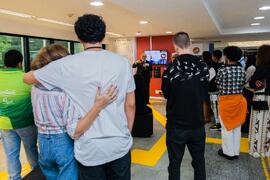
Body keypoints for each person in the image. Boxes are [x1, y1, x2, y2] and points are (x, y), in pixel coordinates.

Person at [23, 14, 136, 180]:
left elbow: (27, 78)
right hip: (119, 143)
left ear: (78, 37)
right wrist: (127, 133)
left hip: (89, 149)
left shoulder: (65, 65)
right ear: (103, 35)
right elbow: (130, 104)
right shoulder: (122, 62)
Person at [30, 44, 117, 179]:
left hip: (42, 141)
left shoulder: (35, 87)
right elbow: (73, 131)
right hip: (62, 142)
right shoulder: (64, 92)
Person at [162, 32, 209, 180]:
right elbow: (204, 90)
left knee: (174, 164)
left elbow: (166, 93)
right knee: (199, 162)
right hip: (197, 123)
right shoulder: (203, 66)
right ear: (190, 43)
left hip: (176, 125)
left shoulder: (170, 67)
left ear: (175, 47)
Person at [0, 50, 39, 180]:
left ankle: (14, 177)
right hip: (25, 122)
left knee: (11, 154)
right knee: (31, 151)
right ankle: (38, 175)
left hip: (4, 123)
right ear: (20, 63)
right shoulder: (27, 78)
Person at [216, 46, 247, 160]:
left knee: (226, 128)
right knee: (237, 128)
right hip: (239, 101)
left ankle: (228, 153)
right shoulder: (242, 69)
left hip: (226, 102)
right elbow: (243, 83)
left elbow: (218, 84)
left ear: (227, 56)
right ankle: (235, 152)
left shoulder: (222, 70)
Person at [249, 45, 270, 158]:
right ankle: (267, 150)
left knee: (259, 125)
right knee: (268, 126)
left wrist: (255, 82)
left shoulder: (262, 67)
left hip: (262, 99)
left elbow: (252, 83)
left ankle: (257, 151)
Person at [209, 50, 224, 131]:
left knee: (215, 107)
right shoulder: (223, 66)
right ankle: (220, 123)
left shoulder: (213, 67)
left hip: (214, 90)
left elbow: (209, 78)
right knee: (219, 106)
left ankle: (218, 124)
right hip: (222, 90)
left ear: (214, 57)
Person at [242, 55, 256, 133]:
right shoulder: (254, 67)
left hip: (248, 90)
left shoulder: (251, 68)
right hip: (252, 91)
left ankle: (245, 127)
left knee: (247, 109)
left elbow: (245, 80)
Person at [202, 51, 212, 123]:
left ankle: (206, 118)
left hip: (205, 85)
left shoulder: (203, 64)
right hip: (211, 85)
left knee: (205, 102)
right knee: (208, 102)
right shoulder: (212, 63)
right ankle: (208, 116)